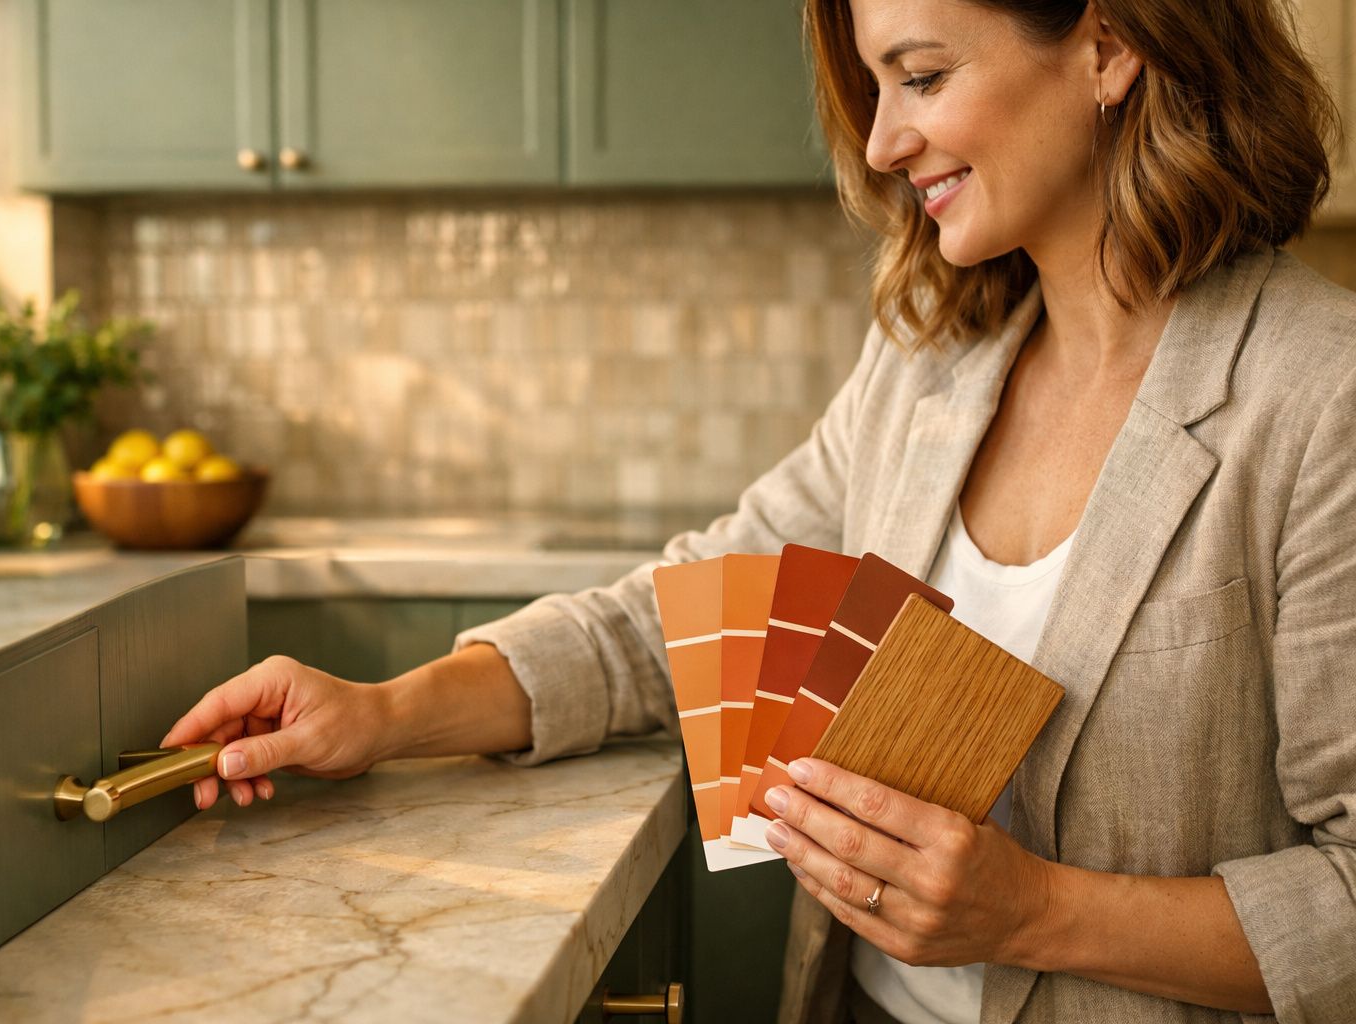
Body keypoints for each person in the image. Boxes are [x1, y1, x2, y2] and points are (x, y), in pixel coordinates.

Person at [162, 0, 1356, 1020]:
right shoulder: (930, 364)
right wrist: (384, 712)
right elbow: (677, 620)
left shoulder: (1318, 397)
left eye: (923, 76)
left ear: (1108, 46)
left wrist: (1041, 912)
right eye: (876, 86)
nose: (885, 140)